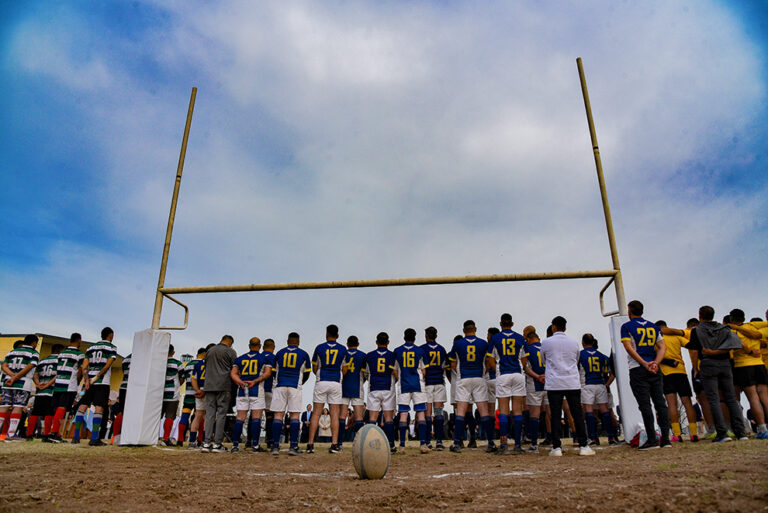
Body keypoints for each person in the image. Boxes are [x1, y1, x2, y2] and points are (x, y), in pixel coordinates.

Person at [686, 305, 746, 443]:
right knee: (731, 398)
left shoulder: (697, 330)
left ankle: (722, 433)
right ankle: (741, 432)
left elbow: (694, 351)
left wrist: (695, 368)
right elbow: (734, 344)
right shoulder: (724, 328)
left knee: (713, 399)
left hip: (708, 364)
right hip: (725, 364)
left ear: (700, 316)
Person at [620, 301, 671, 450]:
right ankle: (666, 439)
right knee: (660, 403)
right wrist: (656, 362)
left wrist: (644, 363)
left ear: (629, 311)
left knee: (645, 405)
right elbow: (662, 347)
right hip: (654, 368)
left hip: (638, 368)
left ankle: (652, 439)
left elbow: (628, 347)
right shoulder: (654, 327)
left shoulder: (627, 326)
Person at [540, 317, 594, 456]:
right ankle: (583, 445)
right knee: (577, 414)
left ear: (553, 327)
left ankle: (556, 447)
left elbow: (543, 360)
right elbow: (576, 360)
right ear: (565, 327)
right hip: (571, 381)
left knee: (555, 415)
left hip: (554, 382)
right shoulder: (574, 342)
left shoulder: (546, 342)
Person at [449, 320, 492, 453]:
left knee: (461, 412)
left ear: (464, 330)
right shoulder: (483, 344)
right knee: (484, 411)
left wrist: (459, 373)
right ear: (475, 329)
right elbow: (489, 361)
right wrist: (483, 372)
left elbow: (453, 363)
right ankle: (491, 442)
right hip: (479, 378)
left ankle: (456, 443)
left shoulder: (458, 344)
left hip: (464, 378)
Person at [488, 313, 527, 455]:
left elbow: (490, 359)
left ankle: (504, 445)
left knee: (503, 410)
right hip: (517, 374)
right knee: (517, 410)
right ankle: (517, 445)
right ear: (512, 323)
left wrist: (497, 371)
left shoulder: (495, 338)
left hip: (503, 375)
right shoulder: (520, 338)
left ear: (500, 324)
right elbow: (524, 360)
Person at [726, 309, 768, 438]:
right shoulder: (753, 325)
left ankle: (762, 429)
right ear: (744, 318)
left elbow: (738, 344)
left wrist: (748, 351)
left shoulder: (731, 331)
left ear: (731, 319)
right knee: (765, 397)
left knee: (753, 398)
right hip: (759, 365)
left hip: (743, 366)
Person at [307, 325, 348, 454]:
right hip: (335, 382)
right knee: (334, 414)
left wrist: (320, 376)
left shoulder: (319, 348)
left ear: (326, 334)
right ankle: (334, 444)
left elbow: (314, 367)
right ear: (337, 335)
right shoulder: (343, 349)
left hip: (322, 381)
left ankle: (310, 444)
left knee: (316, 413)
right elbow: (345, 369)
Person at [657, 319, 700, 442]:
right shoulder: (676, 336)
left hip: (666, 373)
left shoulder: (657, 338)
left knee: (672, 404)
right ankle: (694, 433)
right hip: (681, 372)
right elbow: (692, 345)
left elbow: (654, 354)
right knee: (687, 402)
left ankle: (677, 434)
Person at [74, 327, 117, 446]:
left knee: (83, 405)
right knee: (99, 407)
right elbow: (107, 365)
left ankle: (76, 436)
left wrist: (87, 379)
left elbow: (84, 366)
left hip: (88, 382)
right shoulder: (111, 347)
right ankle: (94, 438)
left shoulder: (91, 348)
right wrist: (96, 377)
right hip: (102, 382)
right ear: (111, 335)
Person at [270, 332, 311, 456]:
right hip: (295, 386)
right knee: (294, 416)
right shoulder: (304, 354)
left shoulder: (279, 353)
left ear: (287, 341)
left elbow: (274, 371)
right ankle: (293, 446)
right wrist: (300, 383)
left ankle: (275, 446)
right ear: (298, 342)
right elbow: (307, 373)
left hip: (280, 386)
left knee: (278, 415)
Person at [230, 337, 272, 452]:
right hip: (256, 390)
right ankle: (255, 445)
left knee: (240, 418)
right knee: (256, 418)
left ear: (249, 346)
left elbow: (233, 373)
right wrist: (255, 381)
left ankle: (235, 445)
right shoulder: (264, 358)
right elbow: (267, 373)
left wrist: (240, 382)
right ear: (260, 346)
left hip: (242, 390)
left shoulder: (240, 359)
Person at [393, 328, 430, 454]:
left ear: (404, 337)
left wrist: (401, 379)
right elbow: (424, 371)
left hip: (404, 385)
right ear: (414, 338)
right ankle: (423, 445)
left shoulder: (397, 351)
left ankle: (402, 446)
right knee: (421, 413)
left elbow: (395, 370)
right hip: (417, 384)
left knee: (403, 414)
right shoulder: (420, 351)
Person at [578, 334, 617, 445]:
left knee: (589, 410)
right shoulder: (602, 356)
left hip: (587, 384)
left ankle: (592, 438)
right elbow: (608, 371)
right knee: (605, 410)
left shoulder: (580, 355)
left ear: (583, 342)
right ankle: (611, 437)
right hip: (600, 384)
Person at [201, 335, 237, 453]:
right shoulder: (230, 352)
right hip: (223, 385)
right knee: (221, 414)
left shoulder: (210, 351)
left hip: (209, 385)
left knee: (210, 414)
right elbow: (234, 369)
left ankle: (206, 442)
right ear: (230, 342)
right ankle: (217, 443)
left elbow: (206, 366)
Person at [0, 335, 40, 440]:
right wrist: (16, 377)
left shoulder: (12, 352)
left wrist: (12, 375)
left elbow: (3, 366)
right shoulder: (33, 353)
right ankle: (11, 434)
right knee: (18, 406)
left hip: (7, 382)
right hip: (23, 383)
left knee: (4, 406)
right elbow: (30, 366)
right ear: (34, 343)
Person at [48, 333, 86, 443]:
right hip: (69, 383)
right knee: (62, 408)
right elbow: (81, 369)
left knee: (57, 409)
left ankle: (55, 433)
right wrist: (79, 381)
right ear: (79, 340)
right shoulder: (79, 354)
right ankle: (54, 433)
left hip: (58, 383)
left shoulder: (62, 353)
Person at [365, 332, 397, 453]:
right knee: (388, 418)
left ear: (376, 342)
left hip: (374, 388)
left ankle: (371, 445)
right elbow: (395, 372)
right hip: (388, 387)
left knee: (372, 419)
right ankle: (391, 445)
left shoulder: (369, 356)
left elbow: (366, 373)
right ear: (388, 342)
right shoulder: (392, 355)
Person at [421, 326, 448, 451]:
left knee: (428, 413)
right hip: (439, 382)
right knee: (438, 413)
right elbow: (444, 367)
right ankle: (439, 441)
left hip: (428, 383)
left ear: (426, 335)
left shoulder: (422, 349)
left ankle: (428, 441)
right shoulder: (442, 349)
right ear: (436, 336)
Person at [523, 326, 548, 452]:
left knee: (534, 414)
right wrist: (546, 375)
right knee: (550, 413)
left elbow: (525, 367)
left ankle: (534, 444)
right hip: (549, 383)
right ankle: (555, 441)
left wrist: (537, 376)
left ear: (528, 339)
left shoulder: (527, 349)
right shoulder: (546, 347)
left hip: (534, 383)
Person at [339, 335, 367, 449]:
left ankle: (339, 443)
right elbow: (365, 374)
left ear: (347, 344)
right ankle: (359, 444)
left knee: (342, 416)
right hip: (357, 386)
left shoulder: (343, 354)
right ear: (358, 344)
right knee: (359, 417)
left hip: (344, 386)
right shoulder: (363, 355)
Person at [29, 344, 61, 441]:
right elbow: (58, 375)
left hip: (40, 391)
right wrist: (48, 384)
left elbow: (35, 374)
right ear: (59, 351)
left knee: (35, 412)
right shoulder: (60, 360)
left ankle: (29, 434)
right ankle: (46, 435)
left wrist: (38, 384)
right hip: (51, 390)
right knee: (49, 413)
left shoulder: (42, 361)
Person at [177, 347, 205, 446]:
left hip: (188, 394)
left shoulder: (188, 365)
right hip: (200, 393)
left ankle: (180, 439)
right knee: (200, 417)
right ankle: (200, 439)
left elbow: (183, 378)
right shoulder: (203, 364)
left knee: (185, 416)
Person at [189, 344, 213, 449]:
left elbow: (193, 378)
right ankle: (204, 441)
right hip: (209, 390)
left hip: (199, 390)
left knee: (198, 415)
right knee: (208, 416)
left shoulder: (198, 364)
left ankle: (191, 441)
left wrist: (198, 390)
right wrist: (204, 391)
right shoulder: (213, 363)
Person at [159, 345, 182, 446]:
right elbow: (182, 378)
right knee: (170, 416)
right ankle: (165, 439)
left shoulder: (159, 362)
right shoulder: (178, 363)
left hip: (159, 392)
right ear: (173, 352)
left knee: (156, 417)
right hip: (172, 393)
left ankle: (152, 437)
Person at [260, 339, 277, 449]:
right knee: (270, 416)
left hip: (257, 388)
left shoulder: (258, 357)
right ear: (273, 347)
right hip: (270, 389)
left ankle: (251, 441)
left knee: (255, 415)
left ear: (263, 347)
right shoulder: (275, 358)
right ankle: (270, 441)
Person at [112, 352, 131, 444]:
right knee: (131, 413)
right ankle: (128, 436)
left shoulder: (125, 360)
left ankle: (115, 437)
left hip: (123, 386)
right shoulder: (141, 358)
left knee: (121, 412)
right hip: (134, 388)